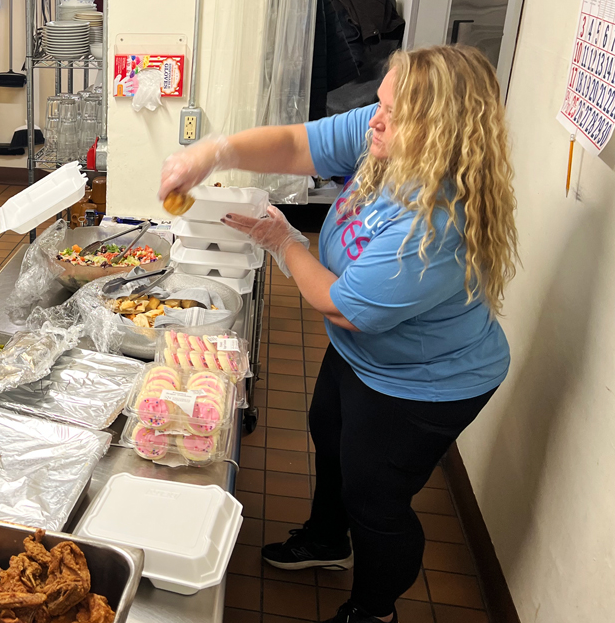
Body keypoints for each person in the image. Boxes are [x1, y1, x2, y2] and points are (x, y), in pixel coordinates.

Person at [158, 45, 517, 623]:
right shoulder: (384, 135)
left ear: (442, 131)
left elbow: (344, 307)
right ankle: (328, 540)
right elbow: (298, 144)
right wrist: (211, 152)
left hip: (423, 381)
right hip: (364, 355)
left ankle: (374, 611)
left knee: (376, 499)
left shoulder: (435, 222)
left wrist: (285, 244)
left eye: (395, 115)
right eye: (381, 103)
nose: (376, 119)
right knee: (329, 430)